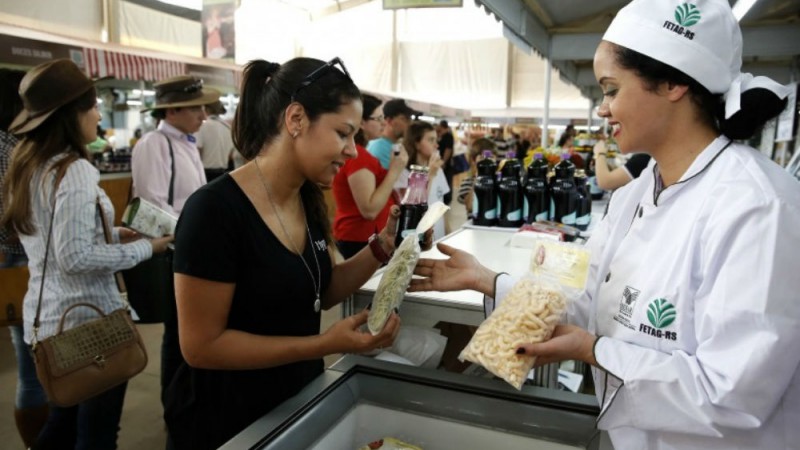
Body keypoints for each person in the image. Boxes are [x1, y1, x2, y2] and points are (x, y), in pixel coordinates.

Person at [409, 1, 800, 448]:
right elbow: (588, 299)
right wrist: (490, 280)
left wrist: (593, 352)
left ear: (672, 82)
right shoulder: (633, 194)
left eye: (611, 89)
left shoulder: (758, 207)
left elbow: (733, 393)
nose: (602, 109)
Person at [165, 57, 403, 450]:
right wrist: (324, 344)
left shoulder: (306, 199)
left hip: (294, 404)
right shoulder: (214, 211)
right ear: (296, 119)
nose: (352, 152)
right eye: (343, 134)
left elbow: (320, 290)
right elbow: (202, 346)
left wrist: (381, 248)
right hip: (227, 422)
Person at [0, 59, 173, 450]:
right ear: (70, 115)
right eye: (93, 105)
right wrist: (147, 247)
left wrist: (109, 232)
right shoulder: (74, 170)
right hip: (88, 323)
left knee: (62, 425)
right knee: (96, 435)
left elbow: (48, 237)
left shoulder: (29, 164)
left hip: (48, 321)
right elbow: (74, 257)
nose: (99, 113)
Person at [131, 75, 219, 429]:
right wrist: (193, 228)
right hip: (172, 250)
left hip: (190, 249)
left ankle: (185, 401)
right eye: (196, 106)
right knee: (176, 333)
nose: (203, 113)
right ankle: (175, 407)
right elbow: (152, 203)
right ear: (173, 109)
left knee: (188, 330)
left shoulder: (185, 143)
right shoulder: (154, 144)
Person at [0, 67, 50, 449]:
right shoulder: (14, 148)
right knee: (38, 367)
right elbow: (14, 218)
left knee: (30, 368)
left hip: (13, 261)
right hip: (22, 262)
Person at [332, 93, 408, 259]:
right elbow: (369, 209)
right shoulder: (358, 156)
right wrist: (394, 171)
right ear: (362, 123)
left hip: (361, 236)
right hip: (360, 239)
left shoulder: (362, 154)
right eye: (378, 118)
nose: (383, 122)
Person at [395, 120, 448, 241]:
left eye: (436, 140)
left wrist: (447, 234)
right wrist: (430, 175)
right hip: (417, 239)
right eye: (431, 140)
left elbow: (442, 208)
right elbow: (416, 206)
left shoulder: (438, 170)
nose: (436, 145)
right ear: (416, 143)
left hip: (438, 238)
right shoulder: (404, 174)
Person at [367, 98, 420, 169]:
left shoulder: (394, 146)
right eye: (405, 119)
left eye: (410, 119)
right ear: (389, 121)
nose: (410, 123)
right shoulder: (380, 148)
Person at [195, 100, 234, 182]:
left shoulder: (202, 127)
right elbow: (230, 155)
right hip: (224, 173)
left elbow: (197, 152)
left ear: (205, 109)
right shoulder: (228, 128)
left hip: (206, 173)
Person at [456, 137, 495, 216]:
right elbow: (470, 207)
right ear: (474, 161)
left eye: (491, 157)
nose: (487, 161)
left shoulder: (497, 181)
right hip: (475, 224)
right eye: (483, 158)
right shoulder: (468, 182)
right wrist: (479, 176)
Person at [436, 120, 455, 205]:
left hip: (445, 164)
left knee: (447, 180)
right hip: (443, 163)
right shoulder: (443, 136)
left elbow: (448, 150)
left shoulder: (448, 136)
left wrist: (443, 162)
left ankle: (447, 199)